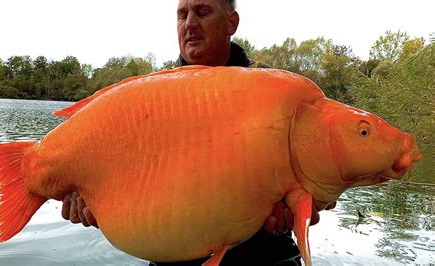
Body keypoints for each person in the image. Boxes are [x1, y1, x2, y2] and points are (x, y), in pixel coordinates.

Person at [62, 0, 335, 265]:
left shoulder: (278, 92)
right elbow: (126, 178)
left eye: (203, 12)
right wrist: (90, 199)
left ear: (232, 22)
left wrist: (320, 198)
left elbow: (329, 166)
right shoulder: (150, 97)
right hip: (173, 256)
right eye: (182, 15)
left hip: (265, 257)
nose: (190, 23)